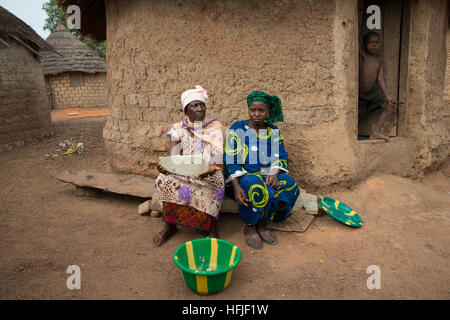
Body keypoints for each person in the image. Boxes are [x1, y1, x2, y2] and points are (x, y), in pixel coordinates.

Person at [224, 90, 300, 249]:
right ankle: (250, 225)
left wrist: (274, 171)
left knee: (290, 185)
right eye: (253, 110)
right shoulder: (237, 128)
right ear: (248, 110)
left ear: (268, 112)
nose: (256, 114)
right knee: (255, 186)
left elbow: (281, 156)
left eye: (261, 110)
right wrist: (237, 187)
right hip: (242, 177)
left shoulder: (273, 131)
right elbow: (230, 159)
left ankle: (263, 222)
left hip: (266, 175)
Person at [153, 85, 225, 247]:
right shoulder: (178, 129)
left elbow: (218, 159)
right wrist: (166, 168)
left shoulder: (215, 127)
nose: (199, 109)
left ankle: (210, 228)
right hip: (184, 170)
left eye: (202, 105)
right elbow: (174, 157)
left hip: (208, 170)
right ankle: (170, 226)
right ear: (186, 110)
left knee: (217, 181)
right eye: (194, 105)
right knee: (163, 179)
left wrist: (208, 170)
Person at [359, 31, 395, 142]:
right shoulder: (362, 56)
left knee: (389, 106)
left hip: (370, 94)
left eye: (377, 42)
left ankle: (375, 133)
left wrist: (388, 96)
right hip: (358, 94)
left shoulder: (379, 59)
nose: (374, 45)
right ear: (364, 44)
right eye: (370, 42)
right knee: (356, 115)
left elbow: (380, 79)